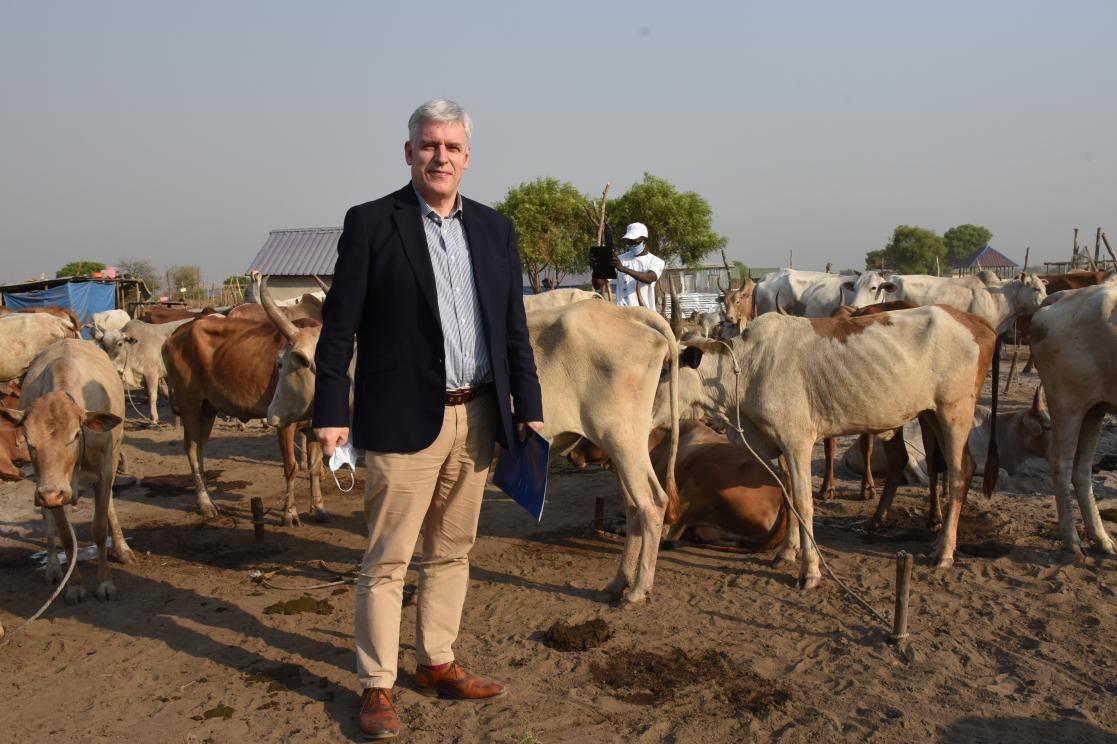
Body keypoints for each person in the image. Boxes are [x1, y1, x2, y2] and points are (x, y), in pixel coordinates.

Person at [312, 99, 544, 740]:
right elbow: (338, 331)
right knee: (387, 560)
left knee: (452, 552)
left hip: (478, 416)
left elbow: (513, 329)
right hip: (398, 420)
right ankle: (377, 684)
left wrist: (530, 408)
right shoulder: (370, 223)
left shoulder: (496, 229)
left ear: (467, 157)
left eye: (452, 147)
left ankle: (436, 661)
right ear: (409, 152)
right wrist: (330, 410)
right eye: (428, 145)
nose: (440, 156)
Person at [611, 222, 666, 309]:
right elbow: (598, 284)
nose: (631, 245)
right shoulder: (619, 259)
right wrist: (597, 268)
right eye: (629, 242)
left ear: (645, 240)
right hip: (622, 316)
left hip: (645, 317)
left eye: (634, 242)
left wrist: (624, 269)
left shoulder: (656, 261)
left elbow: (650, 278)